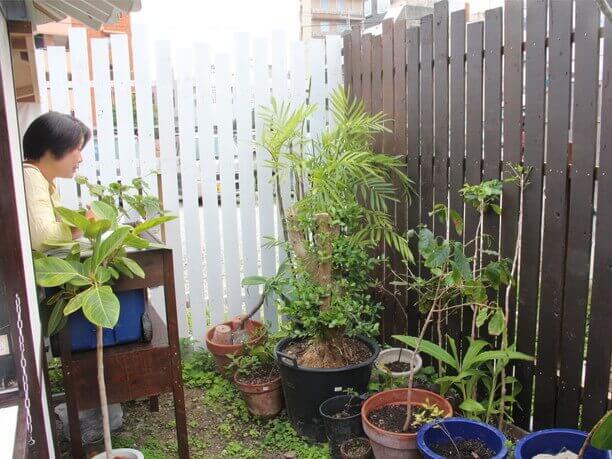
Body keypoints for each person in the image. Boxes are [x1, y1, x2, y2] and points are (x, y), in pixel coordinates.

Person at [22, 111, 91, 251]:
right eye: (77, 149)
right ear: (54, 147)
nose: (80, 159)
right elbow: (42, 238)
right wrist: (83, 225)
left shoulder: (45, 179)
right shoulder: (29, 175)